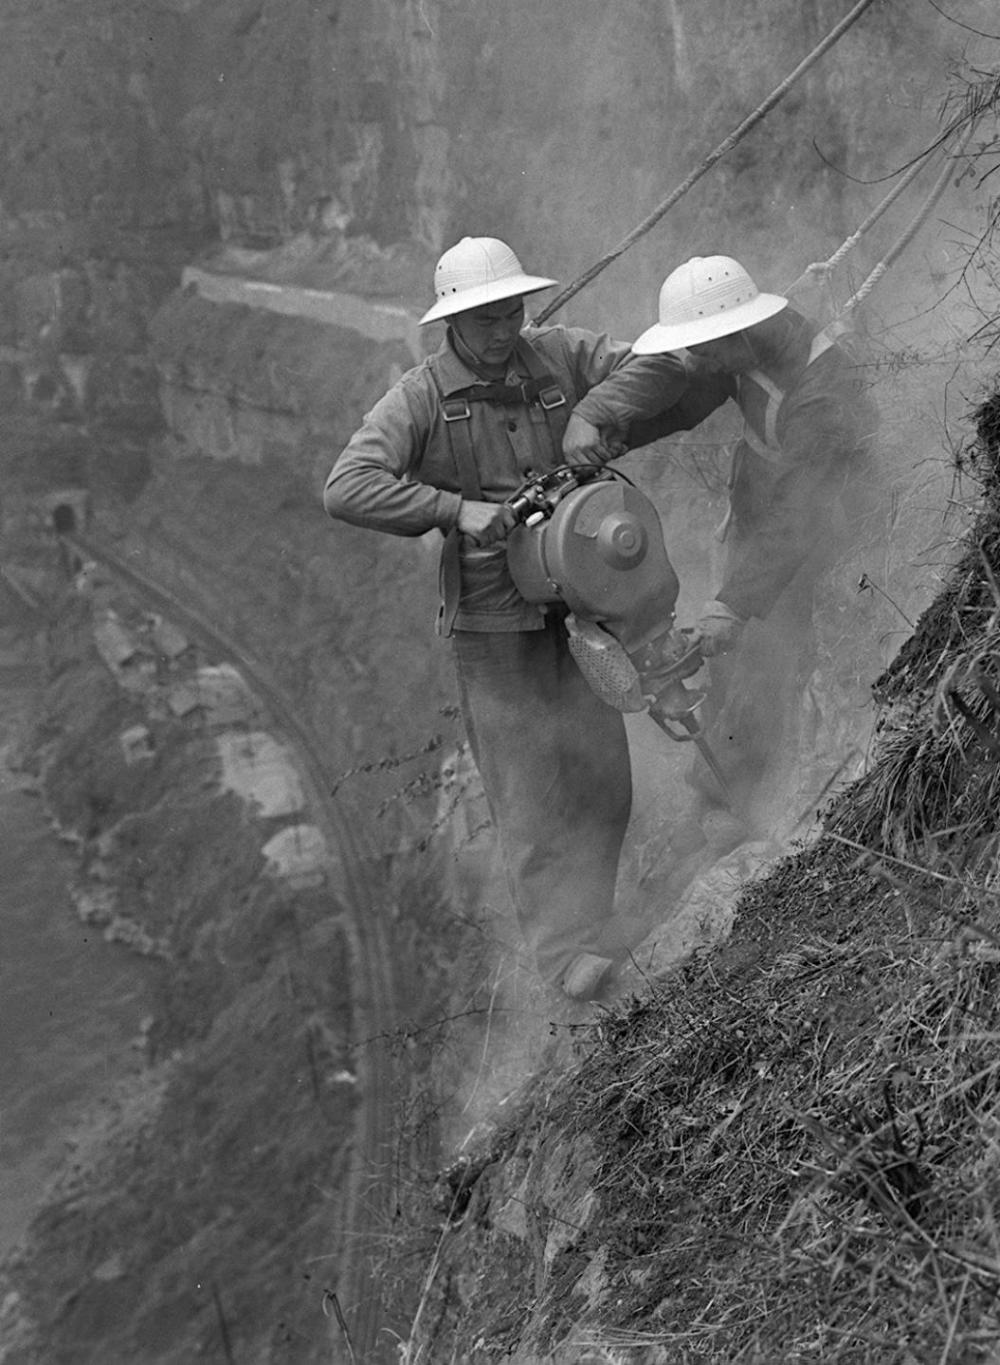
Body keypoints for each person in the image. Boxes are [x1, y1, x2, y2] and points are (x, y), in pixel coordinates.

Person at [322, 236, 691, 1001]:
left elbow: (657, 367)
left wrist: (593, 414)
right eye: (485, 317)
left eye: (511, 311)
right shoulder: (421, 397)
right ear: (452, 321)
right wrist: (454, 509)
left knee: (604, 778)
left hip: (581, 604)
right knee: (529, 793)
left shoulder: (558, 354)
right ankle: (563, 959)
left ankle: (597, 927)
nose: (502, 329)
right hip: (495, 631)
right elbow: (347, 484)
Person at [564, 254, 880, 831]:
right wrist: (609, 432)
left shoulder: (820, 391)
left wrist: (734, 603)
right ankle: (718, 794)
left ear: (737, 333)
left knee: (764, 651)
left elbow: (801, 513)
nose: (697, 361)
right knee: (735, 663)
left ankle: (748, 805)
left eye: (705, 350)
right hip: (767, 517)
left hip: (826, 528)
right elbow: (687, 398)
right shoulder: (746, 350)